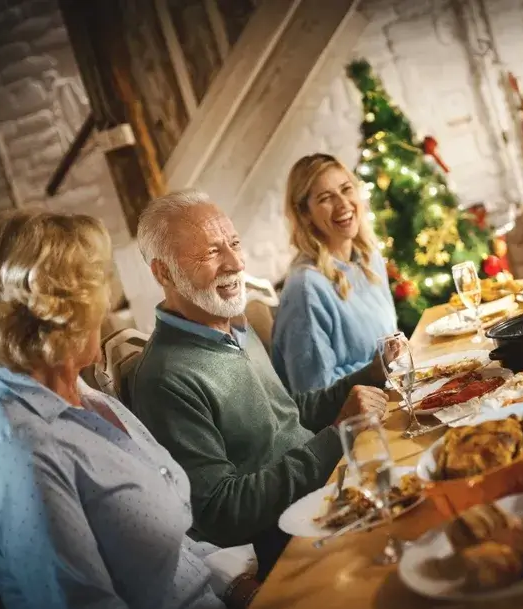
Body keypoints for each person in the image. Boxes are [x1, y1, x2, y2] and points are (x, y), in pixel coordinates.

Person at [0, 210, 258, 609]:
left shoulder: (80, 392)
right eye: (92, 286)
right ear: (49, 312)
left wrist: (237, 587)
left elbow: (166, 541)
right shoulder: (18, 455)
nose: (106, 299)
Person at [128, 189, 390, 577]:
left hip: (333, 497)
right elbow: (221, 511)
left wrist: (370, 374)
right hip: (293, 549)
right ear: (163, 272)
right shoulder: (163, 377)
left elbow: (285, 413)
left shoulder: (230, 324)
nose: (234, 263)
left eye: (233, 244)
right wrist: (337, 437)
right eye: (211, 253)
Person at [272, 153, 398, 393]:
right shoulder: (306, 288)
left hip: (391, 394)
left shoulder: (368, 258)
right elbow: (314, 395)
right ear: (305, 214)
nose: (343, 204)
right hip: (353, 423)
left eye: (346, 189)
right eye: (325, 198)